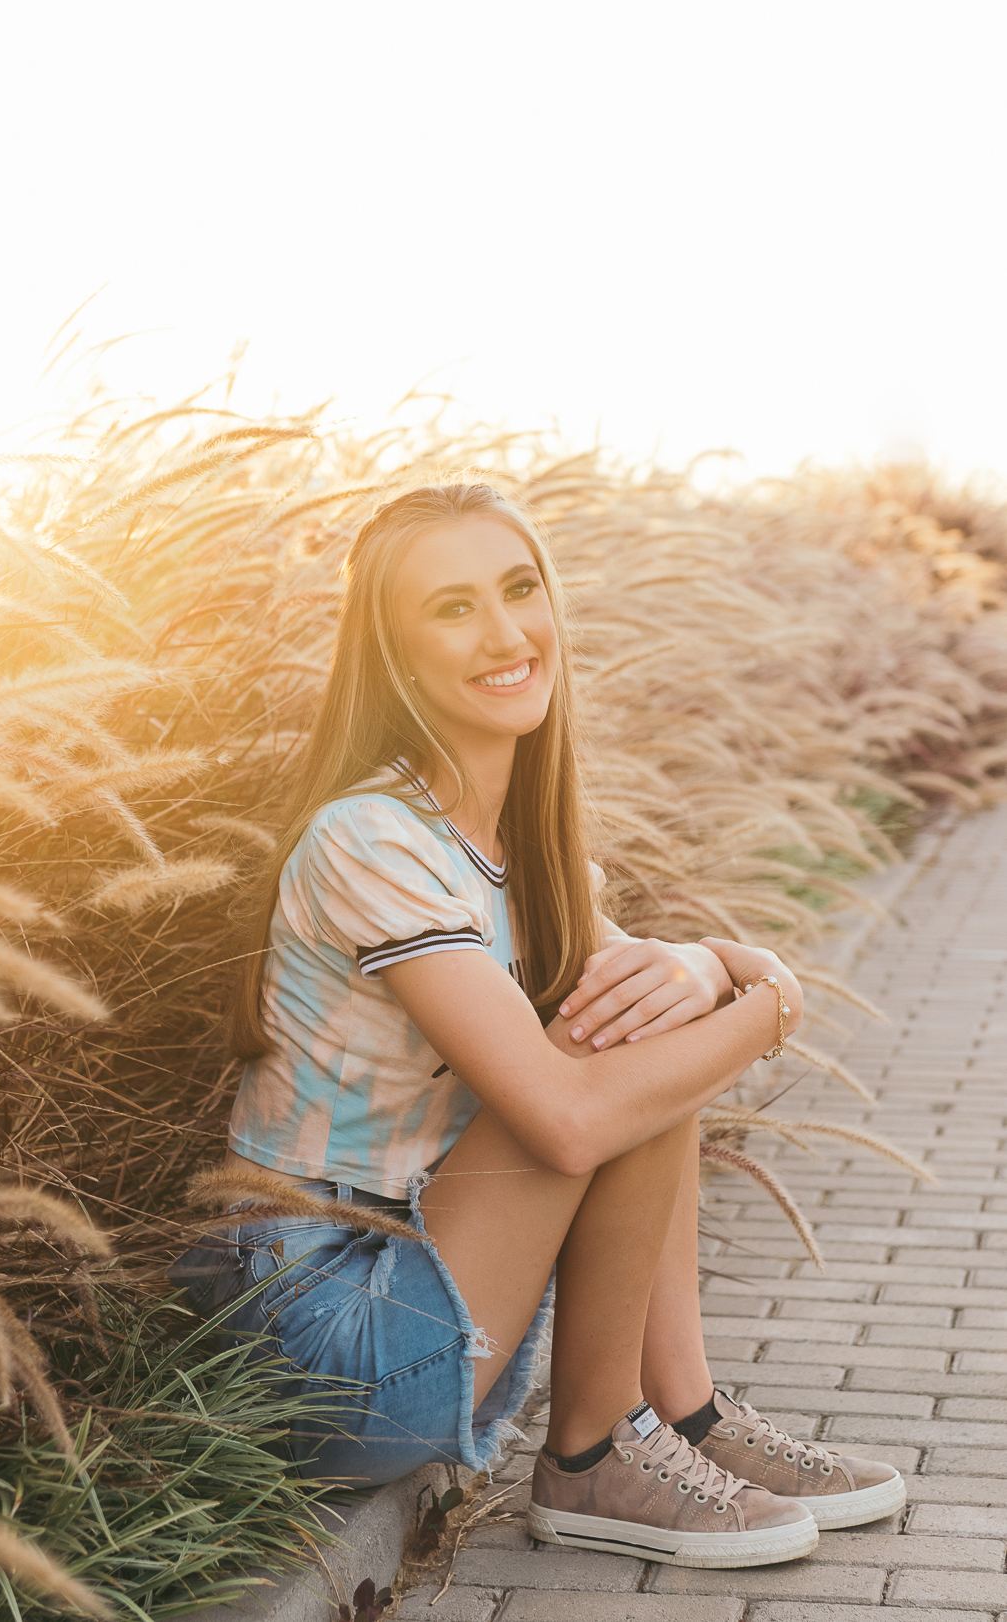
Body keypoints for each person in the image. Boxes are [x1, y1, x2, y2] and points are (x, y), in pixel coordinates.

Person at [172, 481, 905, 1570]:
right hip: (318, 1323)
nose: (506, 632)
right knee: (626, 1053)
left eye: (520, 590)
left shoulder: (525, 855)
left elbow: (648, 1005)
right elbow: (567, 1123)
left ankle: (683, 1413)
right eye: (453, 607)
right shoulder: (371, 838)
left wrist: (716, 962)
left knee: (643, 1020)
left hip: (422, 1272)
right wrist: (772, 1004)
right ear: (393, 651)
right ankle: (593, 1452)